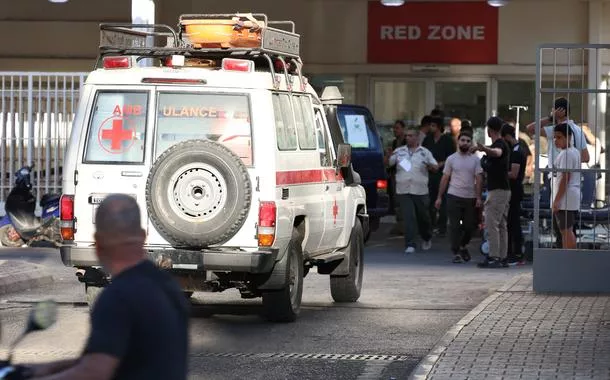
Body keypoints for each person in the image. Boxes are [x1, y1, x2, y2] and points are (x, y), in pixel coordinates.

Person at [23, 194, 190, 380]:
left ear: (98, 244)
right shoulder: (168, 287)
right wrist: (43, 369)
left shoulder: (118, 297)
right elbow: (108, 356)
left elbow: (93, 372)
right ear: (143, 236)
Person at [435, 131, 483, 263]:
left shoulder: (475, 160)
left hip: (470, 197)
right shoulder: (451, 159)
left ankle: (462, 245)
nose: (465, 143)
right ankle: (456, 252)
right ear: (458, 141)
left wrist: (478, 198)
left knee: (469, 226)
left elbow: (479, 179)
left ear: (471, 143)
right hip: (453, 195)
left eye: (468, 141)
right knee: (454, 226)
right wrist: (439, 197)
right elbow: (445, 178)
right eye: (463, 140)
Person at [389, 127, 439, 254]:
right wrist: (388, 156)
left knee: (423, 217)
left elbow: (435, 167)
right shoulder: (399, 151)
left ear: (417, 137)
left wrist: (430, 166)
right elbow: (389, 163)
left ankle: (426, 236)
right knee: (409, 216)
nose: (408, 138)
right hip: (403, 189)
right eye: (406, 136)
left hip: (420, 190)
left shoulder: (425, 152)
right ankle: (410, 243)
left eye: (411, 136)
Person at [473, 117, 511, 268]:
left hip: (498, 191)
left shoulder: (500, 144)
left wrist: (484, 149)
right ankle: (502, 256)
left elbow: (497, 152)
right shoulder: (500, 144)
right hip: (502, 190)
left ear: (490, 130)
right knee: (501, 224)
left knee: (492, 223)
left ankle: (494, 256)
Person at [423, 116, 456, 237]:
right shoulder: (428, 139)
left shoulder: (447, 140)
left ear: (438, 127)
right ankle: (431, 225)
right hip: (430, 174)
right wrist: (429, 165)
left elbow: (451, 157)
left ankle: (442, 227)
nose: (431, 128)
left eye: (433, 125)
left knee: (443, 200)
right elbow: (423, 154)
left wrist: (440, 164)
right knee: (430, 201)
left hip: (443, 174)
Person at [552, 123, 581, 249]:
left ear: (568, 137)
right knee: (566, 231)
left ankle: (570, 259)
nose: (555, 140)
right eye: (554, 137)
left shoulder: (567, 154)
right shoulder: (572, 152)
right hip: (568, 196)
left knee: (566, 231)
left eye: (559, 137)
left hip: (566, 198)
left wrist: (557, 200)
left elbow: (565, 177)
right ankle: (568, 258)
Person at [501, 124, 527, 265]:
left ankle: (516, 252)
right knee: (512, 221)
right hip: (515, 190)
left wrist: (499, 173)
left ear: (507, 137)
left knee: (513, 222)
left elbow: (514, 173)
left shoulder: (517, 152)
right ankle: (514, 251)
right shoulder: (517, 149)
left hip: (515, 190)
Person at [385, 120, 407, 234]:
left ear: (403, 129)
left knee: (403, 201)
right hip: (394, 175)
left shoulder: (406, 143)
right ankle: (399, 224)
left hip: (404, 175)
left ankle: (403, 225)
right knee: (396, 201)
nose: (395, 130)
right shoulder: (394, 143)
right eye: (394, 128)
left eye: (397, 128)